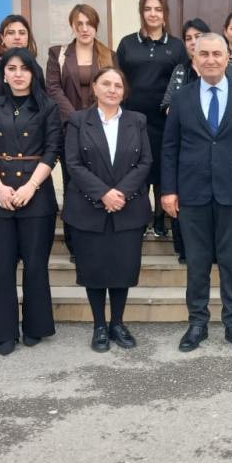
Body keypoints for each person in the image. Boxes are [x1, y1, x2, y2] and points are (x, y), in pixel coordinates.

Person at [160, 33, 232, 353]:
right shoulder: (182, 98)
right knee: (197, 262)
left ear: (226, 58)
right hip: (192, 193)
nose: (210, 59)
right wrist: (168, 190)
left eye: (216, 54)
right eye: (203, 54)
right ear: (194, 59)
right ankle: (197, 323)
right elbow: (169, 147)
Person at [0, 47, 62, 356]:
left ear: (33, 72)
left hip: (36, 194)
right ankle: (3, 331)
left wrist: (30, 187)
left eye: (23, 68)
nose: (18, 74)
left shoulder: (48, 107)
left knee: (35, 264)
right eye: (11, 68)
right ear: (4, 74)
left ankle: (36, 326)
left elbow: (52, 150)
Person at [63, 67, 152, 353]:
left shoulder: (137, 121)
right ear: (95, 88)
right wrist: (103, 193)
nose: (112, 89)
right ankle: (99, 325)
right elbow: (73, 163)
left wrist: (121, 192)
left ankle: (117, 323)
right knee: (94, 269)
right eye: (106, 84)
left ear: (124, 92)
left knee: (123, 268)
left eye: (118, 85)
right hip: (89, 208)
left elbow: (145, 162)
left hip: (128, 207)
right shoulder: (78, 121)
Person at [117, 0, 189, 240]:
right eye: (148, 9)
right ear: (141, 13)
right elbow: (119, 78)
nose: (153, 14)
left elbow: (182, 80)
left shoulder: (176, 46)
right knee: (135, 169)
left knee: (160, 169)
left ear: (165, 14)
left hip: (164, 119)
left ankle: (159, 219)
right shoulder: (127, 43)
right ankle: (139, 218)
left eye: (158, 9)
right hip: (131, 118)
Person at [47, 4, 115, 261]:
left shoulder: (109, 55)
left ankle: (99, 238)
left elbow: (113, 88)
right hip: (70, 131)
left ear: (96, 26)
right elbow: (53, 89)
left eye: (89, 23)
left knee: (101, 183)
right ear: (72, 26)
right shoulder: (58, 54)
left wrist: (94, 119)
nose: (85, 29)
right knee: (73, 186)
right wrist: (77, 119)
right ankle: (74, 243)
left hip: (102, 131)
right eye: (80, 24)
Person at [160, 17, 217, 264]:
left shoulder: (221, 69)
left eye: (198, 37)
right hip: (186, 147)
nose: (193, 42)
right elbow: (168, 104)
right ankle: (185, 251)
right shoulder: (181, 70)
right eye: (189, 38)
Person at [0, 14, 39, 106]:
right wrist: (9, 114)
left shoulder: (33, 64)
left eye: (22, 33)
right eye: (11, 33)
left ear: (28, 37)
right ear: (2, 37)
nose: (17, 37)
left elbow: (39, 98)